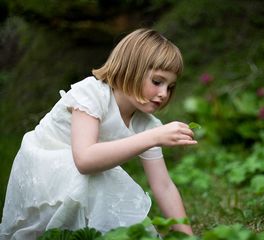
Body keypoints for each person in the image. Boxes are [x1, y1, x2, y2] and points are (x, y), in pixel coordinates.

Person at [0, 28, 196, 239]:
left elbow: (163, 185)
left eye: (170, 87)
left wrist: (187, 236)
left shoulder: (147, 124)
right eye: (157, 82)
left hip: (79, 176)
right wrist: (154, 137)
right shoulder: (92, 94)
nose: (163, 94)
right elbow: (85, 160)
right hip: (44, 170)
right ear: (131, 70)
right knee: (102, 180)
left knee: (110, 196)